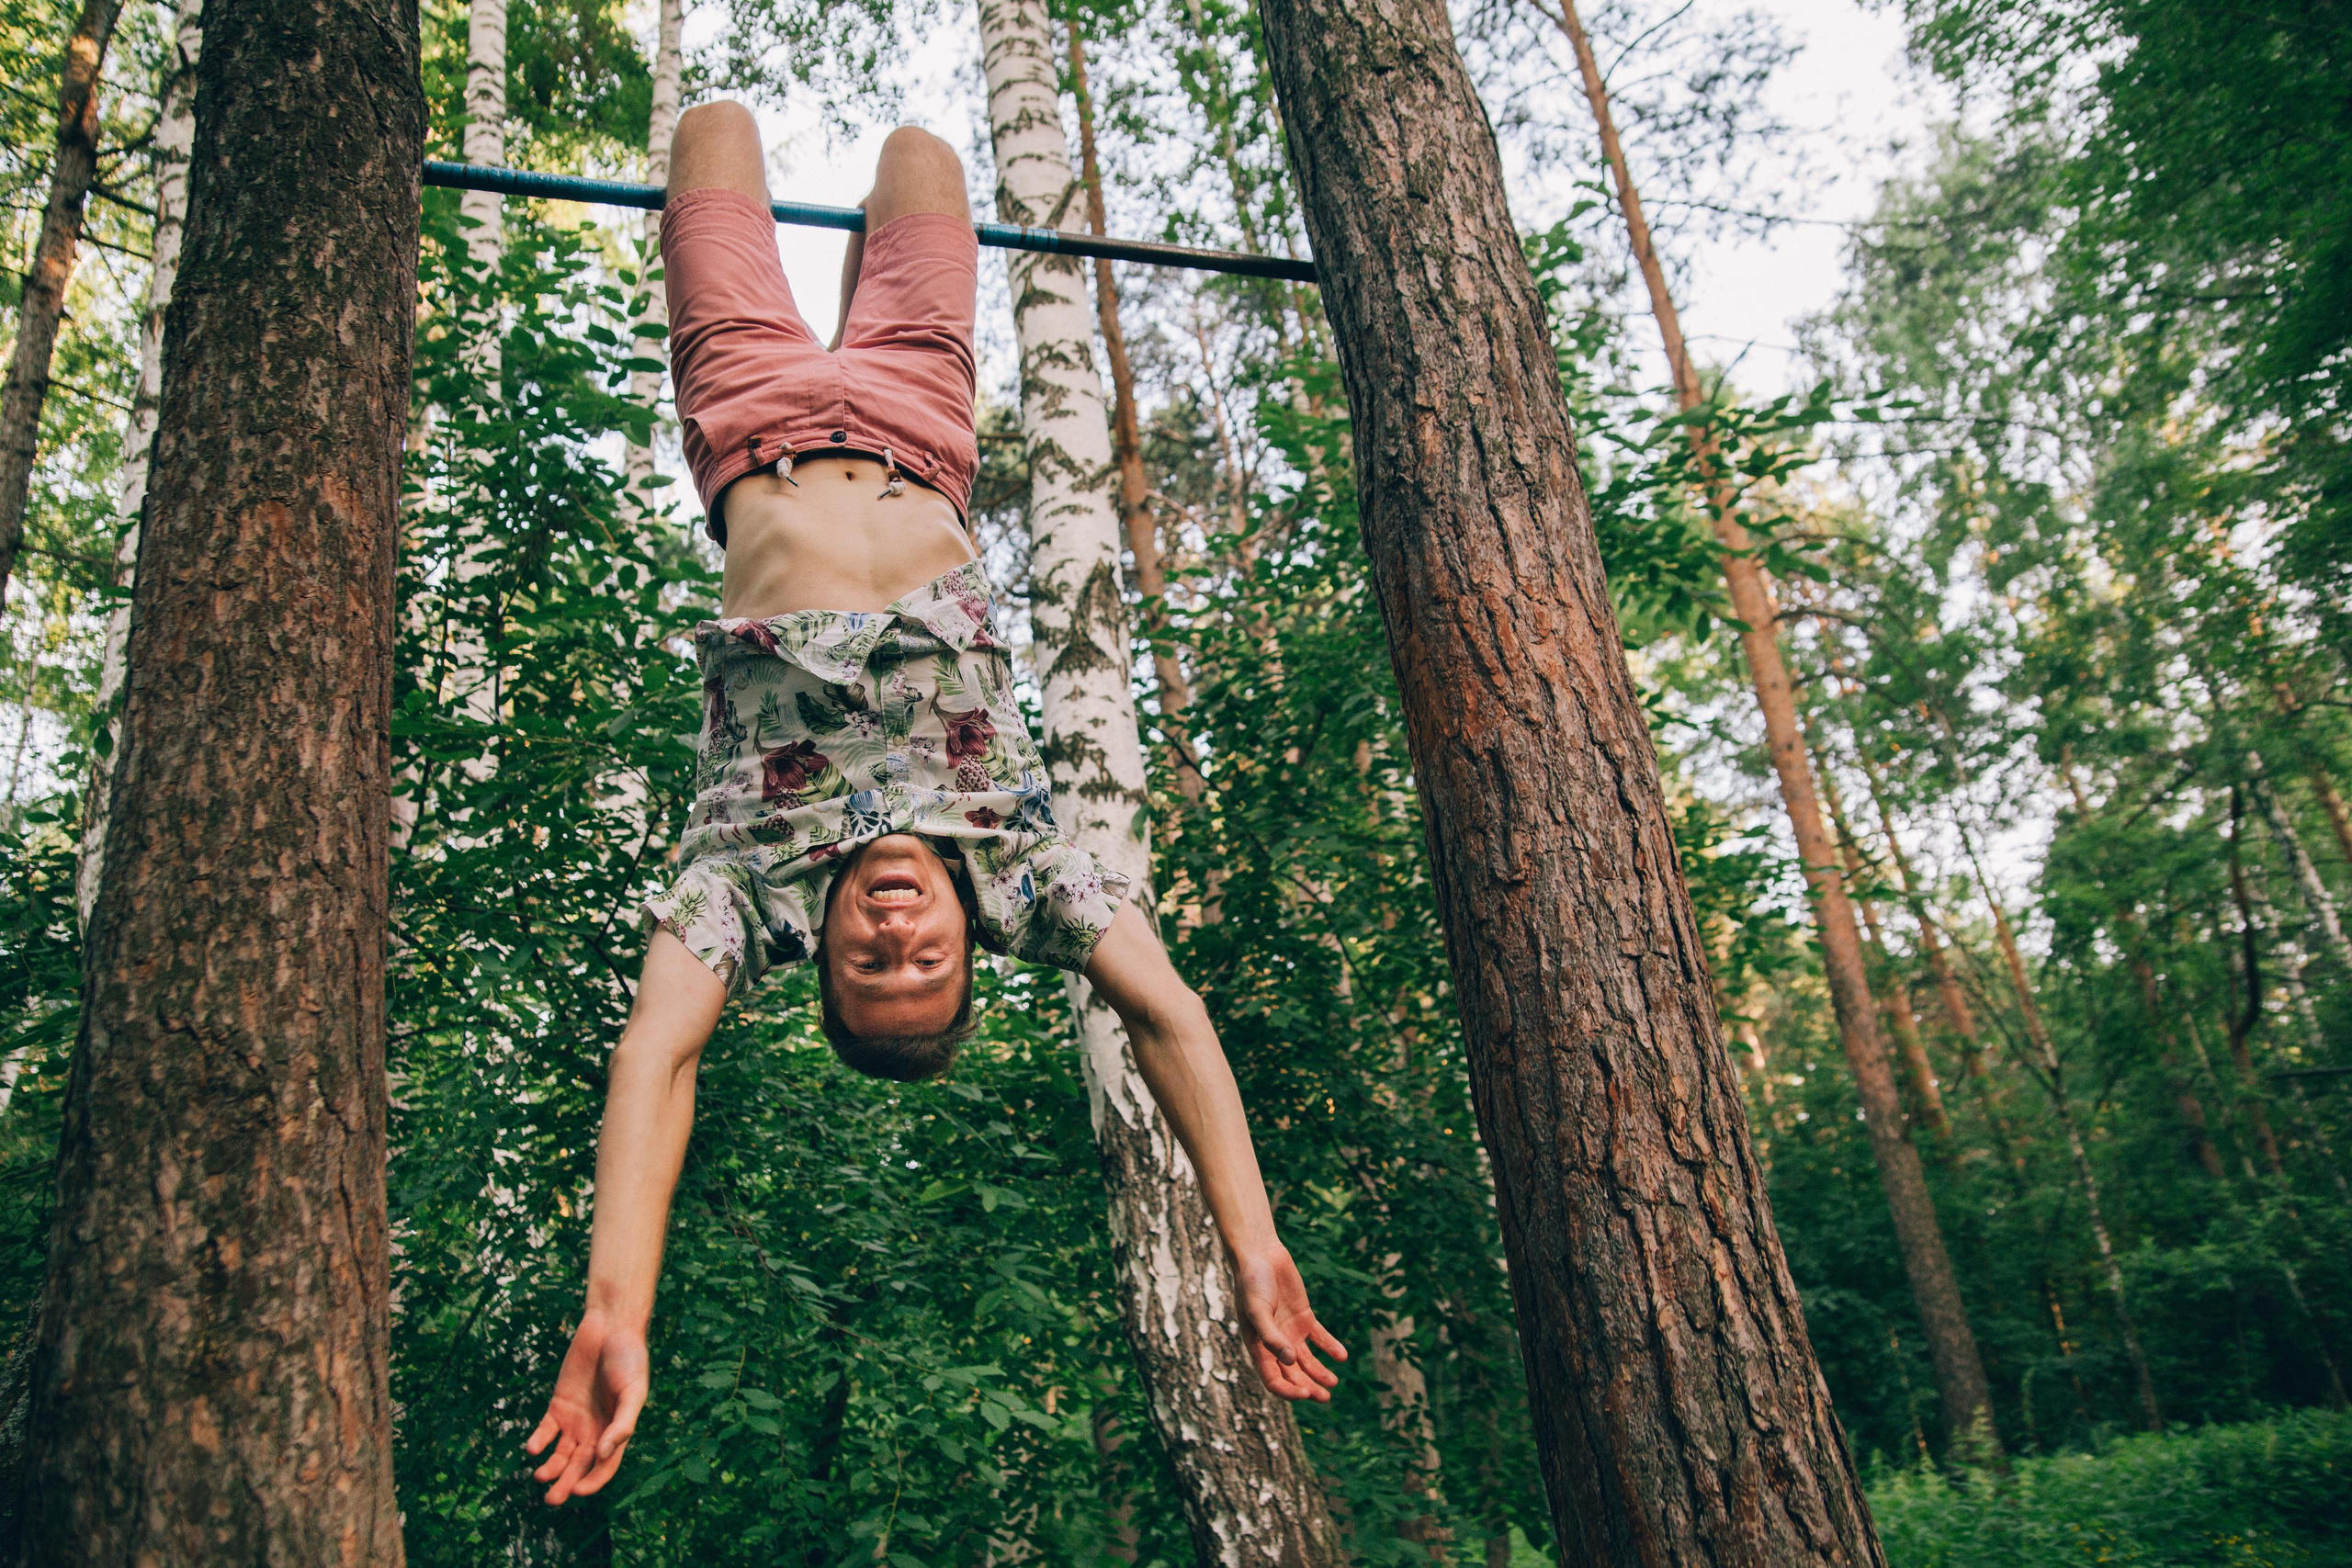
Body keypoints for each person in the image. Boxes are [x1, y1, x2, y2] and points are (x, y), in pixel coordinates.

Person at [524, 104, 1345, 1507]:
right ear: (973, 948)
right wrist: (1249, 1241)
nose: (896, 936)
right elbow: (1168, 1018)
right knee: (922, 155)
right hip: (918, 415)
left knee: (713, 126)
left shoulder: (748, 891)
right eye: (926, 966)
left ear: (819, 964)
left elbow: (658, 1059)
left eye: (868, 969)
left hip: (749, 414)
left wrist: (619, 1301)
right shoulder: (1028, 873)